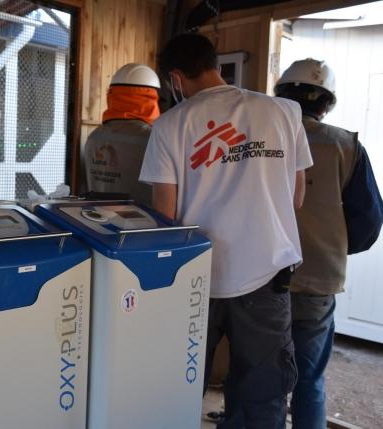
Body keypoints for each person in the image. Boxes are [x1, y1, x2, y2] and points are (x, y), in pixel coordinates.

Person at [139, 33, 312, 428]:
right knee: (263, 391)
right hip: (268, 275)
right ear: (214, 65)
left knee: (181, 382)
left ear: (176, 79)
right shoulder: (284, 112)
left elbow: (165, 215)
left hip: (197, 279)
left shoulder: (169, 125)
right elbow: (297, 197)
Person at [275, 58, 383, 429]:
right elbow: (368, 220)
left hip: (259, 276)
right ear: (326, 103)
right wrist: (332, 244)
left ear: (281, 94)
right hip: (317, 279)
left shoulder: (260, 138)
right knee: (310, 378)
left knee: (261, 376)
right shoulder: (346, 145)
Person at [81, 63, 161, 204]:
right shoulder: (153, 138)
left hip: (98, 220)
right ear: (149, 98)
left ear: (112, 95)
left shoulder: (94, 136)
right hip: (142, 223)